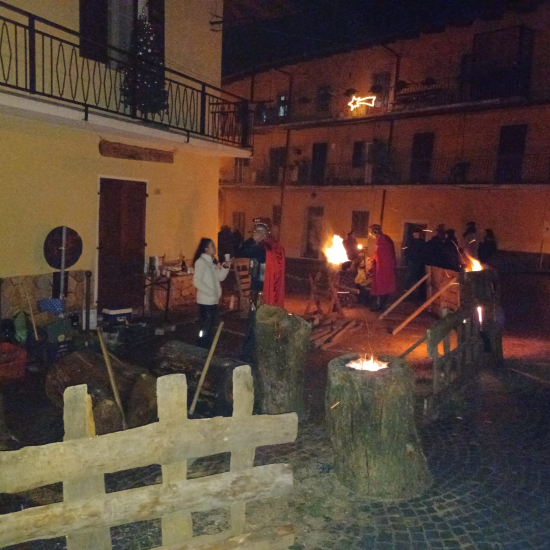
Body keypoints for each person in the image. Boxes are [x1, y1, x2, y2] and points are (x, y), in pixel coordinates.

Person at [239, 219, 286, 361]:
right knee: (261, 323)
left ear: (263, 234)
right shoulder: (273, 247)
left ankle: (248, 354)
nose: (254, 234)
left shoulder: (264, 249)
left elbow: (243, 251)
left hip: (262, 292)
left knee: (256, 323)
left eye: (257, 232)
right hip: (267, 291)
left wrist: (252, 241)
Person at [192, 238, 230, 348]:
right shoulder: (201, 262)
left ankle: (206, 347)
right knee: (205, 326)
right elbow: (196, 281)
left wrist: (225, 267)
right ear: (206, 249)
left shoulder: (211, 263)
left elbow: (220, 277)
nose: (214, 247)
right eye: (212, 245)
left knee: (210, 325)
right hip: (206, 300)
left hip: (212, 300)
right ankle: (201, 346)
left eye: (214, 245)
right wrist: (211, 292)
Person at [369, 224, 396, 311]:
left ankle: (381, 306)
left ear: (374, 232)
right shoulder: (383, 239)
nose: (371, 235)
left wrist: (375, 263)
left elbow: (382, 256)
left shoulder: (382, 241)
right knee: (383, 286)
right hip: (383, 267)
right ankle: (381, 305)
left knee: (383, 286)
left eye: (371, 233)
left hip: (383, 269)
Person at [404, 227, 426, 298]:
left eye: (417, 233)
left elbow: (423, 252)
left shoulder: (421, 242)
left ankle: (417, 292)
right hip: (412, 261)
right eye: (415, 233)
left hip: (419, 262)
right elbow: (407, 251)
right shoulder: (411, 242)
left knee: (417, 276)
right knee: (410, 275)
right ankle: (407, 291)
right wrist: (407, 259)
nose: (416, 235)